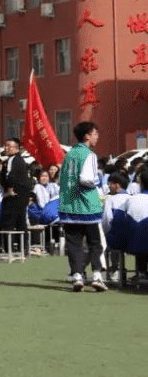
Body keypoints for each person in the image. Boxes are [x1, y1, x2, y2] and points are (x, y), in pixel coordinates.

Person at [58, 122, 107, 291]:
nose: (97, 137)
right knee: (95, 243)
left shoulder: (69, 155)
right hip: (87, 206)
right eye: (95, 133)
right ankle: (97, 276)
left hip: (68, 206)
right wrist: (98, 180)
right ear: (87, 136)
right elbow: (86, 179)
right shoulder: (89, 155)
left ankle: (77, 275)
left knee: (74, 244)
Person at [0, 137, 33, 239]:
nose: (7, 148)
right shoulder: (18, 160)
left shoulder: (14, 160)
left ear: (16, 148)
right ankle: (23, 248)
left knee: (9, 222)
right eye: (6, 145)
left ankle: (8, 248)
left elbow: (11, 176)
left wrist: (9, 187)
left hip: (15, 195)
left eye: (9, 146)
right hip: (21, 195)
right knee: (21, 222)